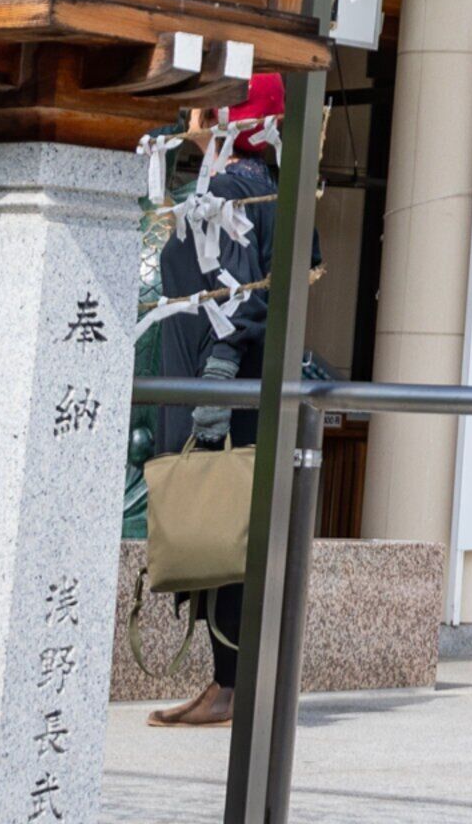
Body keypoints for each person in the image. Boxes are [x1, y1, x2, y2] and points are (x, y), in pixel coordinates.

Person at [145, 76, 280, 729]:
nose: (192, 114)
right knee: (232, 533)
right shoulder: (264, 184)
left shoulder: (232, 188)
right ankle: (229, 683)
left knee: (220, 535)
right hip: (234, 381)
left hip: (218, 380)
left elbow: (245, 290)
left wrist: (219, 375)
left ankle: (230, 687)